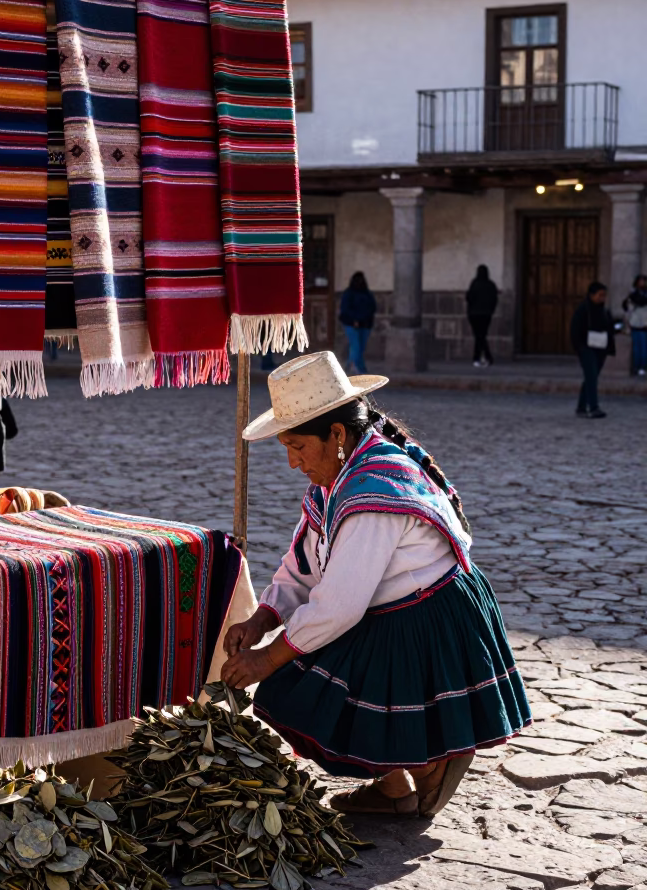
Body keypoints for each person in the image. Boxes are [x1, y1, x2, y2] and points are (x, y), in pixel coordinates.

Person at [221, 351, 530, 817]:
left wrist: (267, 657)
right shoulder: (338, 478)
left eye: (298, 446)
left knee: (296, 689)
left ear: (338, 434)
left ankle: (429, 769)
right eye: (286, 446)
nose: (292, 462)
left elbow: (338, 607)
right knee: (311, 677)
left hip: (428, 618)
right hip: (390, 608)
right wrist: (263, 616)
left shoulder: (373, 492)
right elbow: (304, 562)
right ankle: (394, 788)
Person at [570, 281, 615, 419]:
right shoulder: (583, 310)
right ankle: (593, 407)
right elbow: (575, 330)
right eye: (600, 295)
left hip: (600, 348)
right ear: (591, 295)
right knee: (591, 377)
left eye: (604, 295)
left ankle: (581, 407)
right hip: (586, 347)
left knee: (591, 377)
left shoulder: (603, 311)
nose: (602, 298)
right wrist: (579, 347)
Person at [339, 272, 377, 374]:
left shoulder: (367, 294)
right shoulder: (348, 293)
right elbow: (345, 309)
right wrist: (354, 320)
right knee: (356, 346)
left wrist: (365, 319)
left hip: (365, 324)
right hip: (352, 324)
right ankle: (354, 366)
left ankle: (356, 367)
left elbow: (372, 307)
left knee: (361, 347)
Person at [465, 265, 499, 368]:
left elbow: (469, 298)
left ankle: (480, 358)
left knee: (479, 336)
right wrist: (491, 310)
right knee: (481, 336)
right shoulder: (491, 285)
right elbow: (495, 299)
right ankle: (483, 358)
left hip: (474, 314)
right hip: (486, 314)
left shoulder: (474, 284)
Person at [623, 274, 647, 377]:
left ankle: (643, 367)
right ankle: (636, 367)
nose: (642, 283)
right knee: (636, 348)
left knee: (643, 347)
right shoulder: (633, 293)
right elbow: (626, 305)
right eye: (640, 281)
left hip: (644, 323)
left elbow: (642, 302)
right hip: (635, 322)